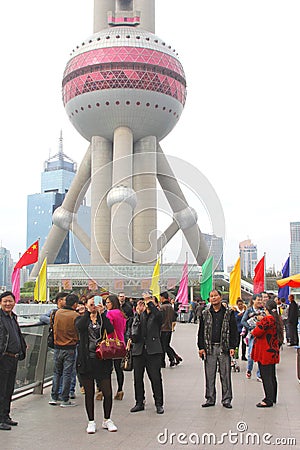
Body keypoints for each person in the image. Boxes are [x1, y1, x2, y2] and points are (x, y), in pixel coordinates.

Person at [75, 295, 117, 434]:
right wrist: (88, 311)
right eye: (91, 303)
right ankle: (91, 421)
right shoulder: (81, 318)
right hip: (87, 360)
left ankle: (107, 419)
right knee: (89, 393)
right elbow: (80, 328)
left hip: (102, 359)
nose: (94, 305)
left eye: (96, 303)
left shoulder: (102, 318)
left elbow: (110, 329)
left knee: (107, 391)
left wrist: (102, 312)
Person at [197, 289, 238, 409]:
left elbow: (234, 331)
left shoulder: (228, 313)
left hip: (223, 347)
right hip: (209, 348)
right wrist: (200, 347)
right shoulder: (205, 313)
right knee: (210, 375)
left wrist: (233, 347)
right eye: (211, 296)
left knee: (225, 374)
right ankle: (210, 398)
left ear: (220, 297)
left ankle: (226, 399)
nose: (213, 298)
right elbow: (201, 331)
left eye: (215, 296)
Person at [130, 292, 164, 414]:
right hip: (139, 350)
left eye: (150, 302)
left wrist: (150, 302)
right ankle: (139, 402)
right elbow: (134, 333)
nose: (147, 304)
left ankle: (159, 403)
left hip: (153, 350)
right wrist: (138, 314)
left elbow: (159, 317)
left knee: (155, 378)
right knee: (138, 378)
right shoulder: (140, 315)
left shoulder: (157, 315)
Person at [0, 291, 27, 431]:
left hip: (14, 357)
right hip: (3, 358)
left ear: (14, 302)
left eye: (10, 301)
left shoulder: (12, 317)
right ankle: (0, 419)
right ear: (0, 303)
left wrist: (22, 349)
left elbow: (17, 335)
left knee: (9, 388)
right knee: (2, 389)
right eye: (5, 301)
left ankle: (6, 416)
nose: (7, 304)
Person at [251, 299, 284, 407]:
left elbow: (256, 332)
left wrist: (258, 323)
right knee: (272, 375)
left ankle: (268, 399)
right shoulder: (277, 319)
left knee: (266, 376)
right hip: (273, 351)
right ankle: (273, 396)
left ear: (266, 309)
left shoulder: (267, 320)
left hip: (265, 351)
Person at [49, 293, 79, 407]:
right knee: (67, 373)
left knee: (57, 372)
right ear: (75, 304)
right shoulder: (75, 315)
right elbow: (78, 331)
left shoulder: (57, 313)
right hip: (70, 347)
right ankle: (65, 399)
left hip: (57, 347)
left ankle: (54, 396)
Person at [105, 294, 127, 400]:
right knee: (119, 368)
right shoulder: (121, 313)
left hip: (110, 343)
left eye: (108, 302)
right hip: (120, 342)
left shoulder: (110, 313)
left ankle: (105, 390)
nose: (106, 304)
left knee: (107, 369)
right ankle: (120, 389)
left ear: (112, 303)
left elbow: (108, 328)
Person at [241, 294, 265, 381]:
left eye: (261, 300)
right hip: (252, 335)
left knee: (261, 354)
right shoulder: (249, 310)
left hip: (261, 335)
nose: (260, 301)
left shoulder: (263, 310)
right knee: (251, 354)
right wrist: (250, 328)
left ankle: (259, 374)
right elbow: (243, 321)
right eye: (258, 300)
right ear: (254, 300)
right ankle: (249, 369)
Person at [160, 291, 182, 368]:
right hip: (169, 328)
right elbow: (174, 316)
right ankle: (175, 357)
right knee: (166, 345)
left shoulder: (162, 307)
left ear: (162, 298)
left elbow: (160, 318)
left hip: (163, 329)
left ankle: (171, 359)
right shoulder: (170, 307)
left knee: (164, 346)